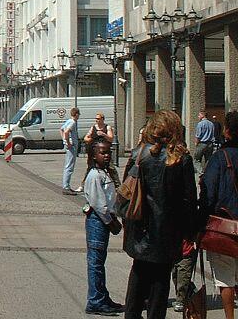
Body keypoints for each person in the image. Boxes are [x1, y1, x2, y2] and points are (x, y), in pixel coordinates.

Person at [122, 110, 197, 319]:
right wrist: (191, 232)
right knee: (160, 282)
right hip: (167, 232)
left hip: (139, 228)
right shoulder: (181, 159)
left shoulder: (139, 154)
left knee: (138, 275)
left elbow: (127, 191)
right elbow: (189, 201)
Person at [199, 110, 238, 319]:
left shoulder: (219, 158)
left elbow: (209, 194)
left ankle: (230, 317)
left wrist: (199, 224)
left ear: (228, 132)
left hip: (225, 228)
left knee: (225, 280)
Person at [83, 136, 124, 315]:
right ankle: (95, 301)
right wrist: (110, 222)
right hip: (97, 221)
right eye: (102, 152)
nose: (106, 155)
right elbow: (99, 203)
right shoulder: (94, 175)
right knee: (95, 263)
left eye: (108, 152)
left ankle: (102, 296)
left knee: (100, 262)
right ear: (93, 155)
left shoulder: (104, 172)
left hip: (104, 219)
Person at [61, 107, 82, 195]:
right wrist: (68, 143)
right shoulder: (73, 122)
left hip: (69, 146)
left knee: (68, 165)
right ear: (76, 114)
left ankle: (67, 186)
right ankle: (66, 186)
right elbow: (66, 132)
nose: (79, 116)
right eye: (78, 114)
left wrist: (64, 140)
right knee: (69, 166)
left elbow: (61, 129)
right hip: (71, 147)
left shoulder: (69, 121)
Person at [194, 109, 216, 173]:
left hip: (202, 143)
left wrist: (196, 143)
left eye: (199, 115)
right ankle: (207, 172)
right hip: (210, 144)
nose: (198, 116)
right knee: (208, 159)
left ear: (202, 115)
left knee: (196, 159)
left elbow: (198, 135)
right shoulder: (211, 124)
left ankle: (201, 172)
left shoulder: (200, 124)